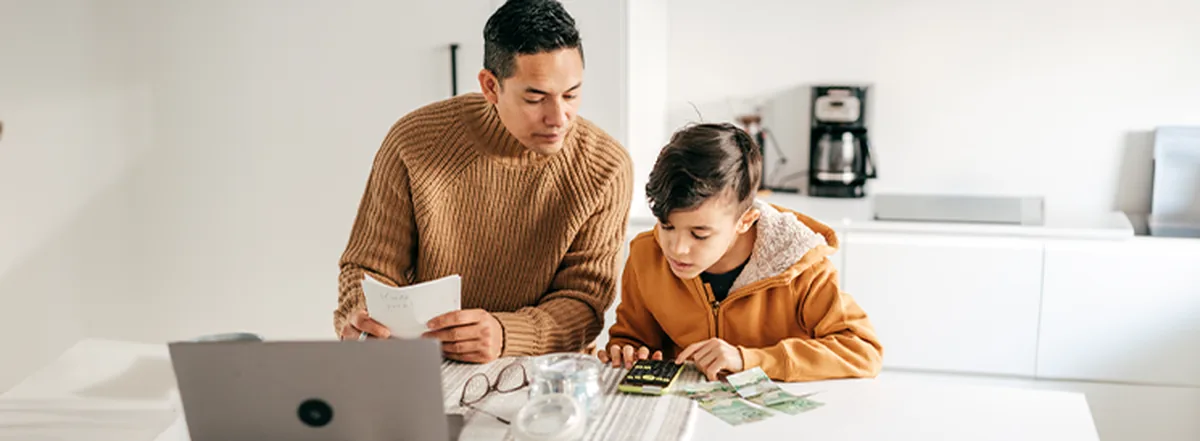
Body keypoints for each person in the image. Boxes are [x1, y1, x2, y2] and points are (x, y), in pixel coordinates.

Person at [334, 0, 633, 365]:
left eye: (571, 94)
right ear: (491, 86)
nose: (559, 117)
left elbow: (585, 304)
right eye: (536, 97)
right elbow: (369, 268)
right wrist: (361, 316)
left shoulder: (606, 167)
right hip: (426, 365)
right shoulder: (414, 142)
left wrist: (506, 334)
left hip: (548, 374)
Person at [598, 123, 883, 382]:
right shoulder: (646, 255)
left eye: (699, 234)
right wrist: (627, 350)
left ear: (745, 221)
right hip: (684, 413)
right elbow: (634, 338)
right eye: (667, 226)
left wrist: (749, 360)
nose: (676, 248)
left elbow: (862, 351)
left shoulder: (801, 267)